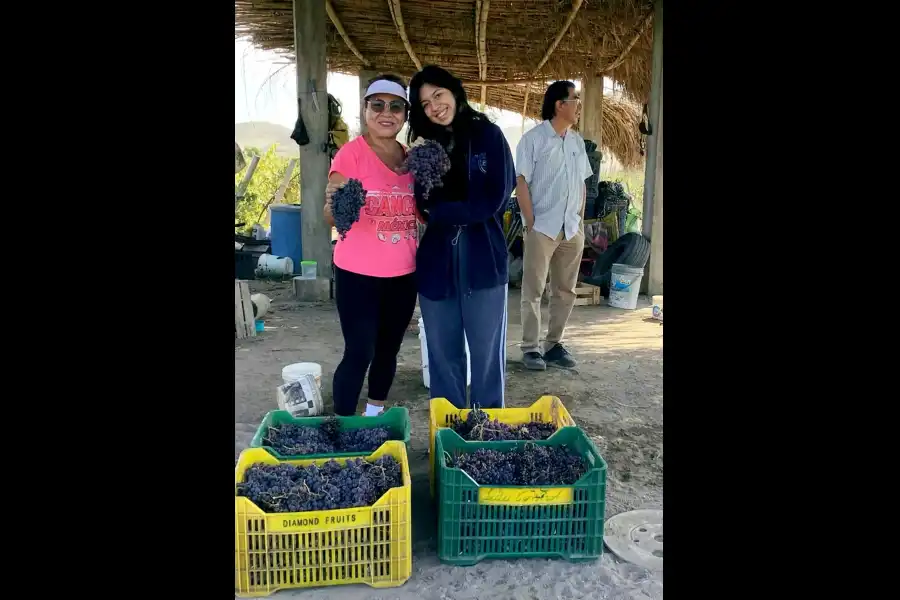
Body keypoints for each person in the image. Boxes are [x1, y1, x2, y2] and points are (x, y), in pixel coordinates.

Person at [407, 65, 515, 409]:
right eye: (424, 104)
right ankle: (447, 434)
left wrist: (446, 211)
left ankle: (486, 438)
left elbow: (494, 196)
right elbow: (422, 204)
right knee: (442, 357)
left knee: (486, 358)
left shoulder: (489, 136)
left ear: (454, 91)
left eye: (438, 95)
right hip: (437, 264)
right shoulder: (425, 148)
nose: (434, 106)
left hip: (483, 260)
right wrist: (440, 206)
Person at [324, 74, 418, 416]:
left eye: (395, 106)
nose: (386, 112)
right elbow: (329, 214)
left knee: (388, 349)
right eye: (377, 104)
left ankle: (374, 414)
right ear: (365, 110)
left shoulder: (411, 160)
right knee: (360, 351)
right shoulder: (351, 156)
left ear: (405, 114)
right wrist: (338, 208)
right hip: (357, 273)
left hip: (404, 274)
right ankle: (343, 424)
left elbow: (421, 212)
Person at [515, 80, 592, 370]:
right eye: (575, 99)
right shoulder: (533, 140)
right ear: (560, 105)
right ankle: (531, 348)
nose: (578, 105)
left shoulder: (576, 142)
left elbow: (582, 184)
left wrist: (580, 220)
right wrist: (531, 222)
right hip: (542, 227)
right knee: (533, 289)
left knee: (564, 290)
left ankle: (553, 345)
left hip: (572, 227)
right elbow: (521, 182)